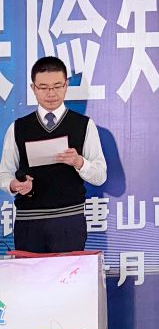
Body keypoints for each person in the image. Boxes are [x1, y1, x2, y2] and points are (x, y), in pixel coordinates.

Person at [0, 56, 107, 253]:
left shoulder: (84, 125)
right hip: (29, 223)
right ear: (33, 88)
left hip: (69, 221)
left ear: (66, 85)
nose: (51, 93)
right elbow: (4, 174)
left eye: (57, 86)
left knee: (70, 274)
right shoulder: (18, 128)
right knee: (30, 274)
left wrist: (79, 162)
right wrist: (14, 185)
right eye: (43, 87)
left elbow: (100, 176)